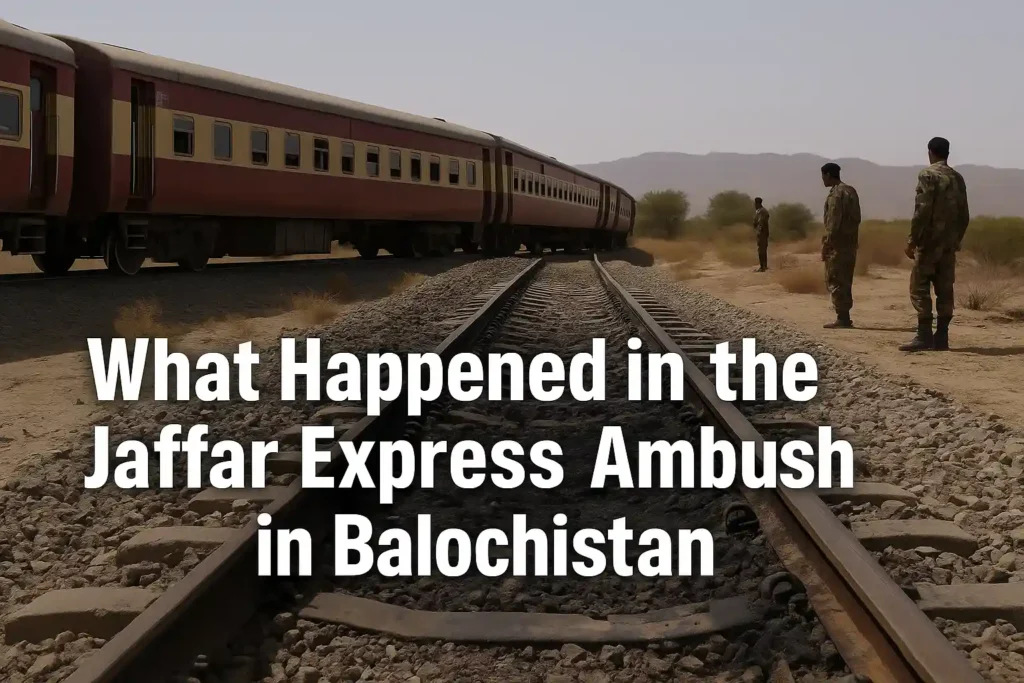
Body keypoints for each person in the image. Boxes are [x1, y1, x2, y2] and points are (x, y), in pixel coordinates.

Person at [899, 137, 970, 351]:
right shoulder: (957, 178)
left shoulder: (928, 175)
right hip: (948, 244)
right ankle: (942, 337)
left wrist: (913, 240)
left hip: (929, 242)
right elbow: (964, 215)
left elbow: (922, 211)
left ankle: (923, 335)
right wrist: (956, 239)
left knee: (919, 287)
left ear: (930, 152)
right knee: (945, 288)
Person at [820, 162, 862, 328]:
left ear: (828, 175)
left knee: (835, 279)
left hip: (838, 244)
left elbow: (834, 222)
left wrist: (827, 243)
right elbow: (857, 218)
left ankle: (842, 317)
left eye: (823, 176)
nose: (822, 180)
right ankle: (844, 316)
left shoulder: (836, 194)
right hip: (850, 243)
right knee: (846, 279)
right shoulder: (850, 191)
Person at [753, 197, 770, 272]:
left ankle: (762, 267)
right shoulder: (760, 211)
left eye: (755, 203)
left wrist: (759, 232)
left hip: (762, 233)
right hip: (763, 233)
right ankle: (764, 266)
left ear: (757, 203)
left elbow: (761, 223)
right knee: (763, 249)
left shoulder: (762, 211)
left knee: (761, 250)